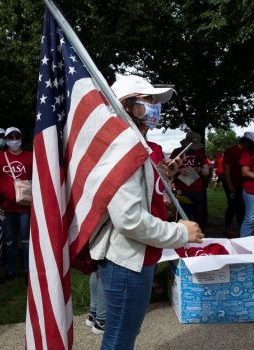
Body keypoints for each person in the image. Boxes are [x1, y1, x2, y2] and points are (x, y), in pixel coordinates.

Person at [90, 74, 203, 349]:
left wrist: (162, 177)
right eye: (147, 102)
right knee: (120, 340)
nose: (154, 109)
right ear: (125, 105)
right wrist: (180, 232)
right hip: (126, 261)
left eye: (155, 103)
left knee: (123, 336)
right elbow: (128, 218)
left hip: (136, 257)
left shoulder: (133, 144)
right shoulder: (123, 145)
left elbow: (141, 199)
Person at [0, 127, 32, 282]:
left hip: (25, 207)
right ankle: (11, 270)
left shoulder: (30, 157)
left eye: (17, 137)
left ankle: (28, 270)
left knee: (26, 240)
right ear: (6, 140)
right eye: (10, 138)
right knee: (9, 240)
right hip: (5, 207)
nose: (14, 140)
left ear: (21, 138)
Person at [170, 132, 210, 225]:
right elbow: (169, 169)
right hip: (182, 190)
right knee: (184, 218)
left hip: (197, 191)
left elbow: (206, 172)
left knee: (198, 218)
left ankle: (198, 236)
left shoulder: (200, 153)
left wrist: (200, 170)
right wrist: (179, 170)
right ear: (186, 143)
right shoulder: (177, 152)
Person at [222, 132, 254, 237]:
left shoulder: (247, 151)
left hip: (243, 183)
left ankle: (242, 229)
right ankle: (227, 228)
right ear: (246, 141)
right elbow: (226, 168)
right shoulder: (231, 151)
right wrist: (230, 185)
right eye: (250, 143)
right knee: (232, 206)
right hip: (232, 182)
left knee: (242, 206)